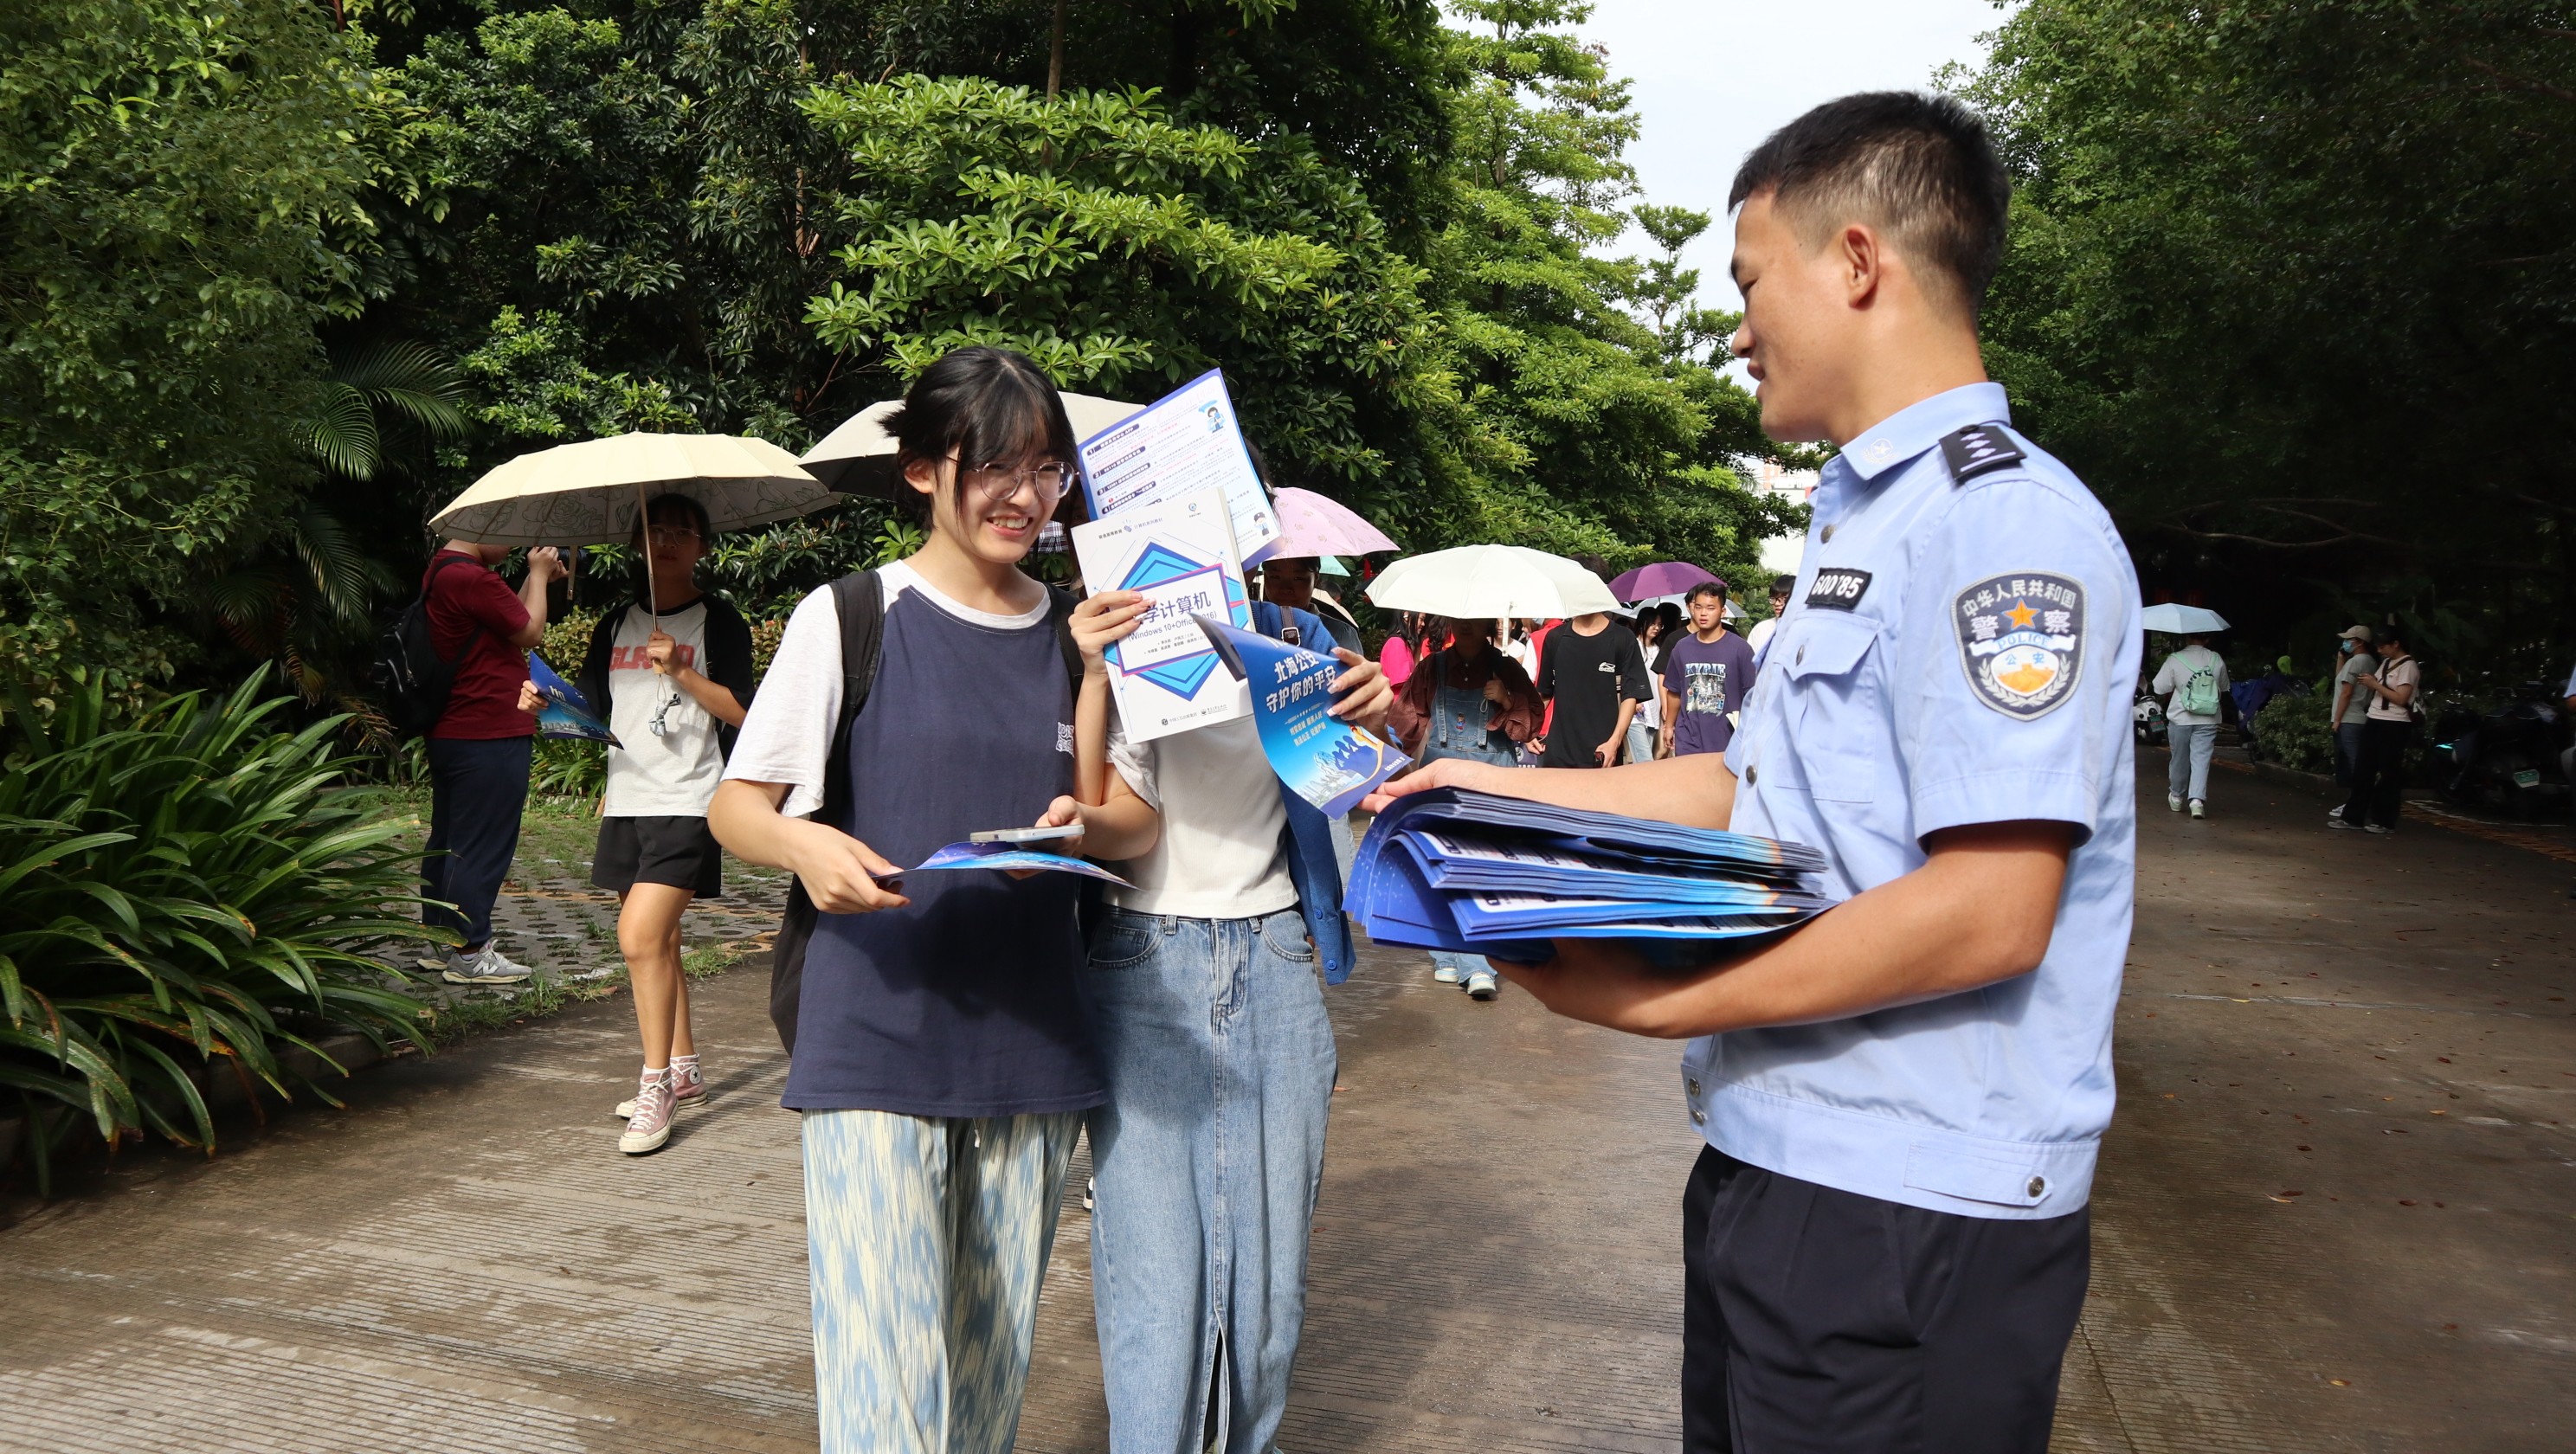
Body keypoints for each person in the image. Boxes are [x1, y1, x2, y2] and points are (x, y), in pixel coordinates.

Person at [1370, 92, 2139, 1452]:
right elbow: (1748, 791)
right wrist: (1484, 796)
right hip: (1781, 1164)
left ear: (1858, 262)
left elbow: (1990, 910)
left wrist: (1663, 1004)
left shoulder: (2001, 527)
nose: (1737, 329)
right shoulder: (1864, 526)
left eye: (1747, 281)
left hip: (1910, 1213)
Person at [705, 346, 1160, 1454]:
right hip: (876, 1037)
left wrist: (1081, 828)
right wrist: (805, 845)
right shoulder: (852, 615)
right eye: (994, 466)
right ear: (921, 470)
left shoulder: (1081, 630)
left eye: (1046, 470)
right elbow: (736, 808)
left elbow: (1135, 820)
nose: (1025, 497)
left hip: (1032, 1046)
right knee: (888, 1400)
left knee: (987, 1386)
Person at [1072, 561, 1391, 1454]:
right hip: (1143, 950)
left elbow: (1345, 778)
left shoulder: (1296, 638)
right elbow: (1104, 817)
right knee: (1154, 1272)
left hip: (1276, 950)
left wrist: (1371, 718)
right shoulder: (1114, 630)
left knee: (1271, 1277)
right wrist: (1093, 675)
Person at [553, 493, 755, 1155]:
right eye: (654, 529)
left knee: (637, 937)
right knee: (660, 942)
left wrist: (685, 673)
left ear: (702, 546)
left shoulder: (718, 620)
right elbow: (591, 709)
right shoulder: (616, 622)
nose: (666, 540)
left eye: (681, 531)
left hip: (690, 799)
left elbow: (745, 712)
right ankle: (685, 1066)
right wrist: (543, 702)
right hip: (627, 799)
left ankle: (656, 1085)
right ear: (636, 543)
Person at [418, 536, 563, 985]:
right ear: (486, 527)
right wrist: (538, 574)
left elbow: (510, 618)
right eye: (509, 534)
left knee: (450, 841)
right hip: (487, 729)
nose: (515, 544)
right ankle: (470, 951)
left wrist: (535, 580)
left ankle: (444, 940)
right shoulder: (471, 577)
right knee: (480, 846)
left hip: (455, 728)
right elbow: (530, 632)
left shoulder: (445, 569)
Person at [1387, 616, 1543, 1000]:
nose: (1467, 626)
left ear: (1489, 622)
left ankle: (1475, 964)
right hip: (1441, 783)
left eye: (1476, 620)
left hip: (1492, 784)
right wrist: (1389, 769)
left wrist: (1507, 699)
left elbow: (1530, 727)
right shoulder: (1432, 667)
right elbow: (1403, 724)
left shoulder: (1508, 669)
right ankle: (1446, 954)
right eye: (1461, 620)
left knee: (1480, 869)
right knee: (1442, 868)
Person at [1535, 605, 1650, 769]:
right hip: (1559, 755)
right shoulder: (1556, 638)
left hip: (1603, 755)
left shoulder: (1623, 638)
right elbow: (1545, 693)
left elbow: (1630, 695)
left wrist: (1614, 742)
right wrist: (1529, 730)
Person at [1657, 582, 1759, 760]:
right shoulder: (1681, 648)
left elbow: (1753, 697)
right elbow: (1674, 692)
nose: (1703, 613)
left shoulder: (1741, 649)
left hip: (1728, 740)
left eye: (1710, 608)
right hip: (1689, 739)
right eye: (1698, 607)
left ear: (1722, 611)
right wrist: (1669, 726)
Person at [2334, 624, 2420, 834]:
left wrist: (2375, 685)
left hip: (2395, 722)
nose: (2380, 650)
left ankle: (2384, 820)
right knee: (2363, 770)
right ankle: (2353, 817)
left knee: (2389, 773)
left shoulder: (2408, 666)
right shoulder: (2386, 663)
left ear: (2396, 644)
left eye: (2383, 646)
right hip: (2374, 718)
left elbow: (2401, 698)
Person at [2150, 631, 2230, 819]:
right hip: (2208, 718)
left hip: (2181, 717)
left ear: (2186, 637)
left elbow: (2159, 688)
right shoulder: (2216, 659)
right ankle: (2197, 801)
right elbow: (2224, 686)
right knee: (2201, 760)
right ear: (2207, 639)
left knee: (2179, 758)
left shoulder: (2175, 659)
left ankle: (2177, 797)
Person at [2331, 625, 2376, 786]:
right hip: (2361, 717)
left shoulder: (2355, 661)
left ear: (2360, 642)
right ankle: (2357, 796)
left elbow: (2346, 692)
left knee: (2353, 762)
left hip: (2348, 719)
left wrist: (2337, 720)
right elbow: (2341, 679)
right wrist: (2341, 658)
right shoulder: (2370, 661)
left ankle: (2360, 796)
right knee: (2356, 760)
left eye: (2349, 639)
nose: (2345, 642)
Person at [1627, 605, 1671, 766]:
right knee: (1646, 761)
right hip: (1635, 714)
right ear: (1643, 622)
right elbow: (1626, 676)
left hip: (1654, 712)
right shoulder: (1632, 646)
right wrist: (1634, 701)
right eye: (1653, 624)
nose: (1656, 628)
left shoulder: (1658, 650)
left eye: (1659, 625)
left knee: (1645, 762)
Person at [1742, 574, 1795, 658]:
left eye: (1783, 599)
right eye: (1773, 598)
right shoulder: (1761, 629)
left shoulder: (1807, 630)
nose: (1777, 603)